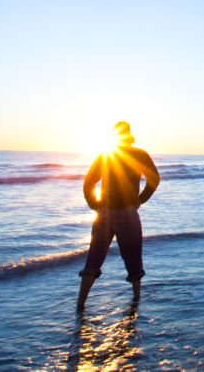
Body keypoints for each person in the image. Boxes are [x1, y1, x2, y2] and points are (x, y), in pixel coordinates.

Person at [77, 121, 160, 311]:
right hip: (128, 213)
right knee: (133, 258)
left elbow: (88, 182)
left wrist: (94, 204)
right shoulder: (139, 154)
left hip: (104, 213)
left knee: (94, 258)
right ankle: (136, 300)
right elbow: (154, 179)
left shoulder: (106, 155)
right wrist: (140, 200)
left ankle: (80, 304)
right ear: (129, 136)